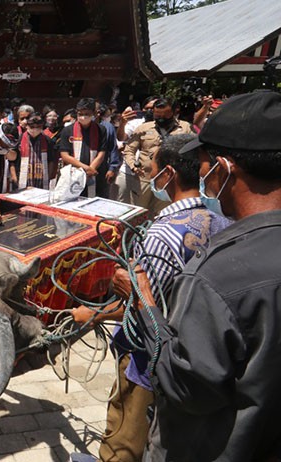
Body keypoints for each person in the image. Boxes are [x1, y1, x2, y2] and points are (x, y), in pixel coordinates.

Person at [110, 90, 281, 462]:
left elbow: (185, 385)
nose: (201, 173)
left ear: (223, 168)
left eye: (203, 163)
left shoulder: (216, 274)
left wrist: (144, 303)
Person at [72, 134, 231, 462]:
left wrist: (93, 315)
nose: (149, 176)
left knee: (126, 437)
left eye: (152, 169)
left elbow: (141, 304)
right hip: (194, 354)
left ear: (169, 174)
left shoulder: (161, 233)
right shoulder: (221, 221)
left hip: (149, 357)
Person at [123, 98, 192, 217]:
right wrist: (133, 165)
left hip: (169, 181)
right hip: (144, 179)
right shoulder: (143, 128)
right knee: (137, 213)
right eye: (157, 115)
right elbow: (129, 150)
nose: (161, 119)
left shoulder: (185, 128)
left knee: (162, 213)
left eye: (165, 115)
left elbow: (192, 150)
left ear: (173, 112)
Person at [59, 98, 110, 198]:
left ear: (94, 114)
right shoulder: (67, 130)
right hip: (74, 174)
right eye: (80, 114)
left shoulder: (101, 130)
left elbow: (101, 153)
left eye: (87, 114)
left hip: (95, 174)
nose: (83, 117)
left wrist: (91, 169)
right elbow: (64, 155)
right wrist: (86, 168)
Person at [13, 114, 57, 191]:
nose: (35, 129)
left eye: (38, 127)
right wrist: (14, 178)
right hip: (23, 179)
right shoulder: (20, 139)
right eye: (32, 127)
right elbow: (12, 160)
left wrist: (49, 177)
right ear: (27, 126)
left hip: (41, 180)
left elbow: (51, 160)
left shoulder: (47, 140)